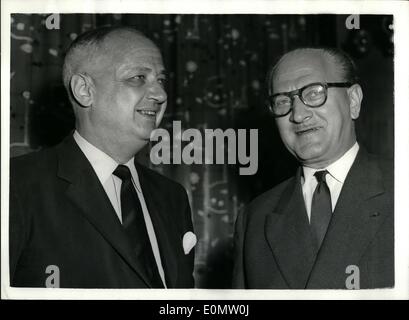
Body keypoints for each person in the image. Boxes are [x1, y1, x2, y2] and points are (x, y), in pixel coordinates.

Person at [9, 26, 195, 288]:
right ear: (85, 90)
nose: (161, 95)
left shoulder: (172, 196)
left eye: (161, 80)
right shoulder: (16, 184)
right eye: (138, 77)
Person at [232, 47, 393, 289]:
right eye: (283, 101)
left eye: (315, 93)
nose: (298, 114)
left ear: (353, 101)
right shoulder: (255, 219)